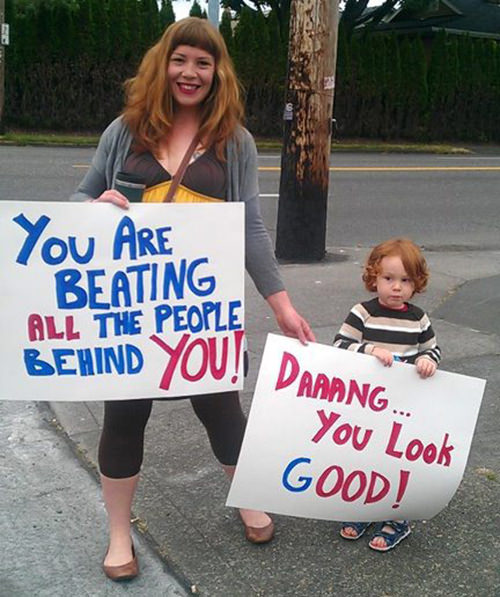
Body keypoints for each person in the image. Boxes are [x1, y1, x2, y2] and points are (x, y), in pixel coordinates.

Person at [71, 17, 315, 581]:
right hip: (130, 311)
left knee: (222, 409)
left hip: (200, 314)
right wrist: (93, 206)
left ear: (217, 73)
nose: (190, 72)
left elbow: (251, 229)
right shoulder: (124, 131)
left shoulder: (235, 143)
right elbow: (83, 193)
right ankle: (118, 535)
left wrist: (281, 303)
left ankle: (248, 498)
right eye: (181, 60)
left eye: (203, 63)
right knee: (125, 417)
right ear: (164, 64)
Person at [333, 237, 441, 552]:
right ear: (373, 277)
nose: (396, 287)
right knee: (366, 457)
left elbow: (433, 349)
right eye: (388, 278)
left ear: (416, 282)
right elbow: (339, 346)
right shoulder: (362, 314)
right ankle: (365, 507)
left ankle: (398, 519)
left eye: (405, 280)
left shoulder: (419, 318)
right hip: (367, 405)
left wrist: (427, 361)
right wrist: (370, 350)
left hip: (404, 405)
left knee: (399, 461)